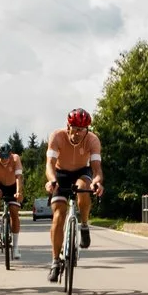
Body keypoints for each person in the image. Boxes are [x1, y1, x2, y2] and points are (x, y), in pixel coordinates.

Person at [44, 107, 102, 281]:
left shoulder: (92, 140)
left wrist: (97, 182)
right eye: (75, 129)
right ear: (68, 127)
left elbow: (97, 170)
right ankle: (55, 261)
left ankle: (84, 224)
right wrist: (52, 180)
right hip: (60, 173)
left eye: (82, 130)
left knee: (84, 187)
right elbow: (50, 164)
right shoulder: (57, 136)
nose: (77, 134)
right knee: (58, 215)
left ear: (87, 130)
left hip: (81, 172)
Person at [0, 142, 26, 242]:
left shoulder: (16, 158)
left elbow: (18, 178)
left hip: (13, 185)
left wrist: (18, 192)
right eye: (1, 156)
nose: (4, 159)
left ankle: (16, 247)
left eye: (6, 156)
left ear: (10, 154)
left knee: (14, 212)